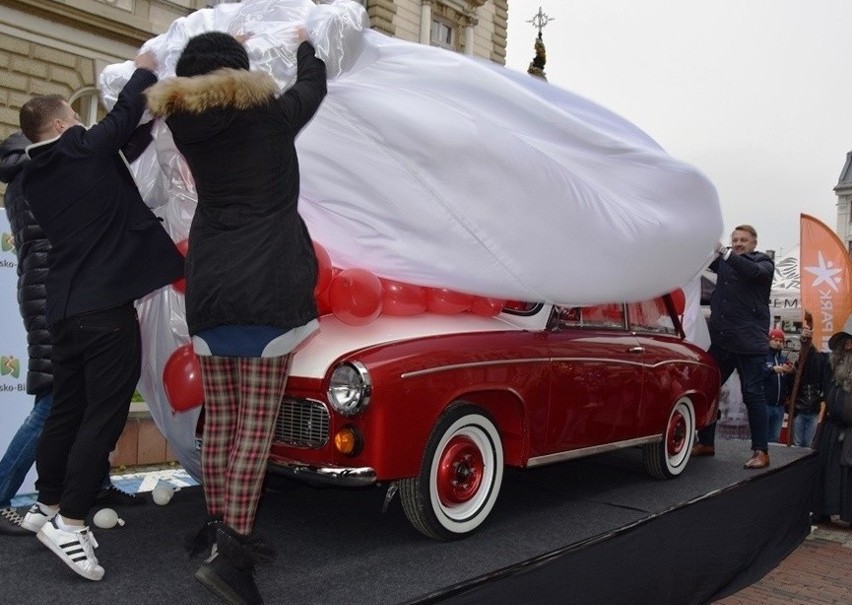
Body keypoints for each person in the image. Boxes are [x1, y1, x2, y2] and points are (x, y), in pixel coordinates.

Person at [145, 31, 327, 604]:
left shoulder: (183, 123)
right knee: (255, 426)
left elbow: (192, 81)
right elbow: (313, 86)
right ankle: (235, 552)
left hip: (212, 280)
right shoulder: (270, 115)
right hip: (267, 281)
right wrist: (304, 46)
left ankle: (220, 528)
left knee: (221, 420)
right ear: (239, 71)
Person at [15, 50, 184, 581]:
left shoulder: (33, 174)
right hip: (103, 310)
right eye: (76, 119)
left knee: (67, 410)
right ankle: (70, 520)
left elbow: (118, 144)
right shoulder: (80, 149)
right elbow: (122, 116)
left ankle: (45, 503)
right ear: (65, 123)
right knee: (103, 416)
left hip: (63, 311)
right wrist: (147, 67)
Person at [0, 130, 151, 536]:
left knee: (84, 395)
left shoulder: (26, 172)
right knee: (56, 402)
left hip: (52, 292)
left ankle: (94, 485)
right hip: (65, 293)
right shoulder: (43, 169)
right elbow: (111, 151)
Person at [692, 225, 774, 468]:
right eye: (734, 239)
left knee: (753, 394)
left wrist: (725, 253)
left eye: (743, 240)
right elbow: (700, 261)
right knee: (707, 388)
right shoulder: (726, 263)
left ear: (754, 244)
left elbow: (752, 272)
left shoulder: (763, 263)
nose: (738, 243)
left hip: (749, 343)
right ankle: (706, 442)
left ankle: (761, 451)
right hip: (723, 341)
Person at [810, 317, 852, 526]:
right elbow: (812, 367)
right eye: (846, 341)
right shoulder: (831, 365)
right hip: (831, 428)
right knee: (827, 470)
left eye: (851, 341)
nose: (848, 346)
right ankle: (822, 510)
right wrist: (806, 346)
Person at [791, 325, 829, 447]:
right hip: (800, 411)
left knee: (807, 443)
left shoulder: (820, 362)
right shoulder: (800, 366)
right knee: (798, 444)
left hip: (812, 412)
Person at [763, 328, 793, 443]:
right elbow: (758, 374)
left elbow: (789, 382)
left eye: (781, 341)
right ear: (769, 341)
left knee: (775, 439)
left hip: (779, 407)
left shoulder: (784, 359)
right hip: (765, 404)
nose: (778, 343)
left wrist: (790, 372)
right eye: (775, 340)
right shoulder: (763, 357)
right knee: (762, 437)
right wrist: (772, 370)